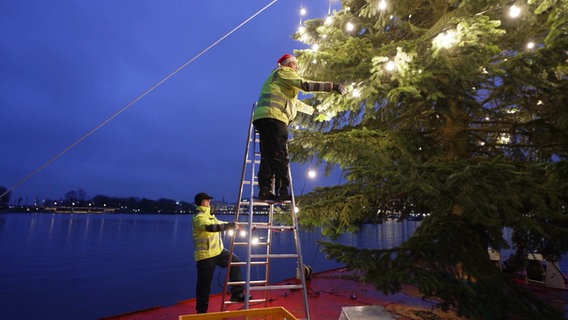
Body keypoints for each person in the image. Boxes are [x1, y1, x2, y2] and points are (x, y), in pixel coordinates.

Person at [252, 53, 347, 202]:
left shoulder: (280, 83)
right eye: (295, 64)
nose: (297, 68)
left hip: (263, 117)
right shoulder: (284, 72)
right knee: (279, 154)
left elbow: (295, 104)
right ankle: (283, 191)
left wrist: (314, 111)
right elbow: (306, 85)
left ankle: (264, 190)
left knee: (268, 155)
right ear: (290, 64)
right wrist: (333, 86)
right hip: (274, 118)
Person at [192, 192, 244, 313]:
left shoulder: (210, 215)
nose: (209, 202)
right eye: (207, 200)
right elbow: (210, 227)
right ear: (202, 202)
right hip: (205, 256)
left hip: (218, 252)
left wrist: (232, 225)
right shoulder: (199, 217)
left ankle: (236, 294)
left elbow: (218, 223)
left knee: (234, 261)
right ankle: (201, 312)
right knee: (204, 285)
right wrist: (228, 226)